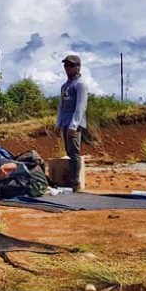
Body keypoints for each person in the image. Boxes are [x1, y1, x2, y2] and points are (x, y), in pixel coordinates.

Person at [57, 54, 89, 191]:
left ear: (77, 67)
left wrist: (74, 125)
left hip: (74, 124)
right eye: (65, 65)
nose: (67, 68)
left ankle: (75, 182)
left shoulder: (80, 84)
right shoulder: (65, 86)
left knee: (74, 152)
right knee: (69, 151)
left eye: (70, 65)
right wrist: (58, 124)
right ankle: (71, 179)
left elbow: (81, 106)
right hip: (65, 122)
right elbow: (61, 106)